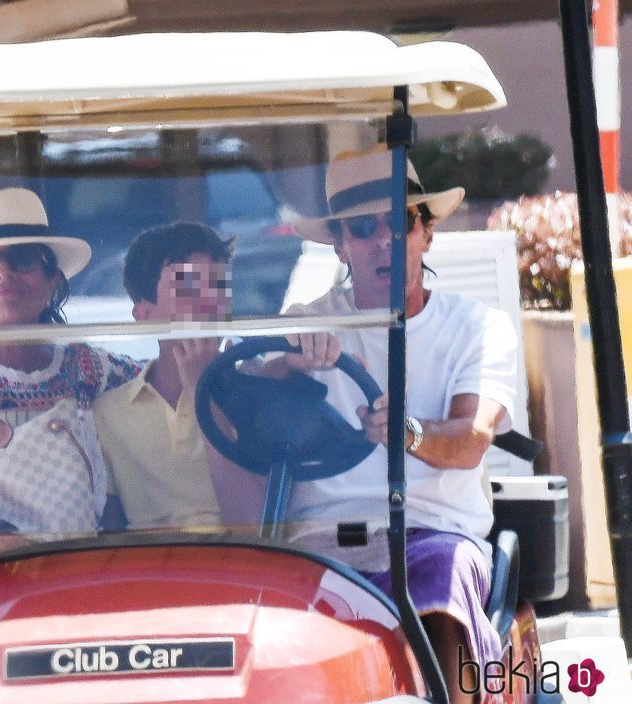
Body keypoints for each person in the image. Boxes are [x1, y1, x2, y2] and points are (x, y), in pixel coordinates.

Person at [274, 147, 517, 704]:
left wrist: (405, 431)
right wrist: (287, 361)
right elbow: (240, 387)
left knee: (439, 577)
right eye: (362, 227)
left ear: (425, 235)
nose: (383, 238)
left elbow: (472, 438)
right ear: (340, 245)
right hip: (318, 546)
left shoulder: (478, 328)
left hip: (430, 534)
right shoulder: (303, 323)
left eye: (400, 221)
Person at [0, 187, 141, 536]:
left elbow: (160, 392)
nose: (3, 274)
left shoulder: (96, 372)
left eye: (22, 259)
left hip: (90, 568)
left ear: (53, 279)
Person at [93, 222, 265, 530]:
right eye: (189, 288)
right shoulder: (108, 413)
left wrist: (203, 390)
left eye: (218, 287)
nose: (210, 303)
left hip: (237, 565)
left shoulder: (254, 389)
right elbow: (109, 533)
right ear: (146, 317)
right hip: (152, 571)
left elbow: (251, 524)